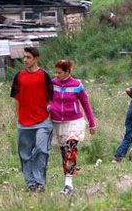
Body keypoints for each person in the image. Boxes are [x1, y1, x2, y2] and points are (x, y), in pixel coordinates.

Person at [49, 59, 97, 195]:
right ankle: (69, 175)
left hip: (74, 122)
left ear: (67, 72)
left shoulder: (77, 85)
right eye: (55, 72)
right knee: (65, 153)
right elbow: (47, 99)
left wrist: (92, 123)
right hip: (57, 122)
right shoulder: (52, 83)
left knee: (70, 148)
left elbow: (86, 104)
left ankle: (68, 184)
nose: (57, 75)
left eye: (59, 73)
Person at [10, 47, 54, 194]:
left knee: (42, 150)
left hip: (43, 121)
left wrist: (50, 109)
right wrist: (18, 117)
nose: (25, 60)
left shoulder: (44, 76)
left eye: (28, 57)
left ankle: (40, 182)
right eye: (24, 57)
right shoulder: (19, 76)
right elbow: (16, 98)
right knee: (25, 155)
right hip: (24, 122)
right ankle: (31, 184)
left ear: (36, 58)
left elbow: (51, 98)